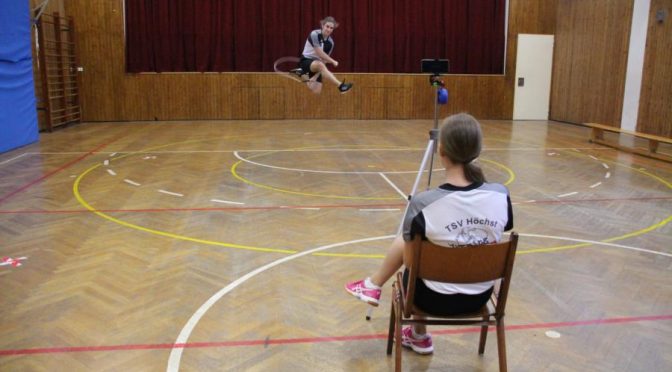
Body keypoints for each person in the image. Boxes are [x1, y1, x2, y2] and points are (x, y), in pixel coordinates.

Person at [345, 113, 514, 355]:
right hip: (479, 296)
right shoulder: (500, 194)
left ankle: (398, 311)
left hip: (429, 299)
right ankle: (411, 329)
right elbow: (497, 232)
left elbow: (411, 261)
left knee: (412, 246)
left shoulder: (424, 203)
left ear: (441, 150)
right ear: (478, 149)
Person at [291, 16, 353, 94]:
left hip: (317, 65)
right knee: (319, 65)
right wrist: (333, 61)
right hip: (306, 61)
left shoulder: (331, 43)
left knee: (316, 91)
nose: (329, 29)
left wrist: (315, 76)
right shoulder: (314, 34)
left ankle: (304, 76)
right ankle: (341, 86)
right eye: (327, 26)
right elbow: (319, 52)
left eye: (331, 28)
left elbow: (324, 61)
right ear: (323, 25)